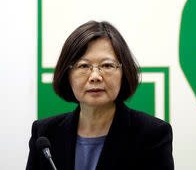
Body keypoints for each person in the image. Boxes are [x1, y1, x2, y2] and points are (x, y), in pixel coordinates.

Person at [26, 21, 174, 170]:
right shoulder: (44, 134)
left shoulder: (153, 134)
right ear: (67, 74)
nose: (95, 76)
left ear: (124, 72)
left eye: (107, 65)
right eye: (83, 66)